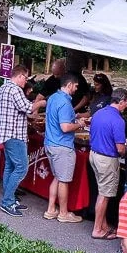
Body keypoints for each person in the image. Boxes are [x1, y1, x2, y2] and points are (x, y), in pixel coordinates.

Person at [0, 66, 42, 216]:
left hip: (6, 134)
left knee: (10, 166)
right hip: (15, 135)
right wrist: (40, 103)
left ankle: (9, 198)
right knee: (21, 168)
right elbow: (28, 108)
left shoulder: (2, 88)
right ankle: (7, 201)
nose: (26, 81)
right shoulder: (15, 90)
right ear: (20, 76)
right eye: (26, 78)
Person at [88, 88, 127, 239]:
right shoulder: (118, 120)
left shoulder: (98, 113)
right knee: (105, 195)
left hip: (94, 154)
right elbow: (120, 148)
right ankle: (98, 229)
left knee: (101, 191)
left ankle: (103, 225)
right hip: (107, 159)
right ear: (121, 101)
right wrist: (126, 149)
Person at [42, 72, 84, 222]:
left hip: (50, 143)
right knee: (64, 180)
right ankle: (64, 213)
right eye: (76, 86)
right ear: (70, 84)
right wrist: (79, 124)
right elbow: (65, 127)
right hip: (62, 146)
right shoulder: (65, 103)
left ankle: (51, 209)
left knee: (57, 178)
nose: (76, 89)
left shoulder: (53, 97)